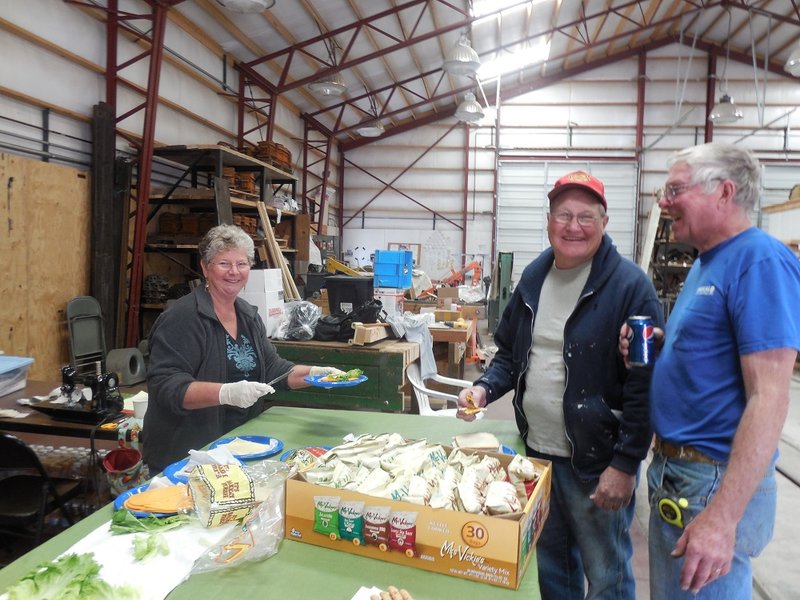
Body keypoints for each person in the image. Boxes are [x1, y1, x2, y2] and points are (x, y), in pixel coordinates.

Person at [457, 171, 664, 599]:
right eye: (564, 215)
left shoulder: (630, 287)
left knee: (607, 574)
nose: (573, 227)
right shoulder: (534, 278)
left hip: (596, 462)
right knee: (551, 568)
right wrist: (483, 389)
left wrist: (625, 465)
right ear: (549, 220)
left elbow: (645, 387)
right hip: (537, 458)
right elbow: (512, 354)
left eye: (586, 217)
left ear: (604, 222)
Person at [621, 143, 800, 598]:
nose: (663, 202)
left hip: (711, 482)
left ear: (723, 192)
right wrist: (664, 351)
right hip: (680, 474)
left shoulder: (758, 260)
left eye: (675, 189)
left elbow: (770, 396)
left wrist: (722, 518)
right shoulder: (707, 262)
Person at [143, 224, 344, 474]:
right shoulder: (183, 318)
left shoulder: (247, 315)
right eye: (223, 264)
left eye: (242, 264)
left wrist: (316, 374)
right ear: (205, 268)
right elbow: (167, 387)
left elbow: (273, 368)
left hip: (238, 449)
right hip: (188, 457)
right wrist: (226, 393)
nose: (234, 272)